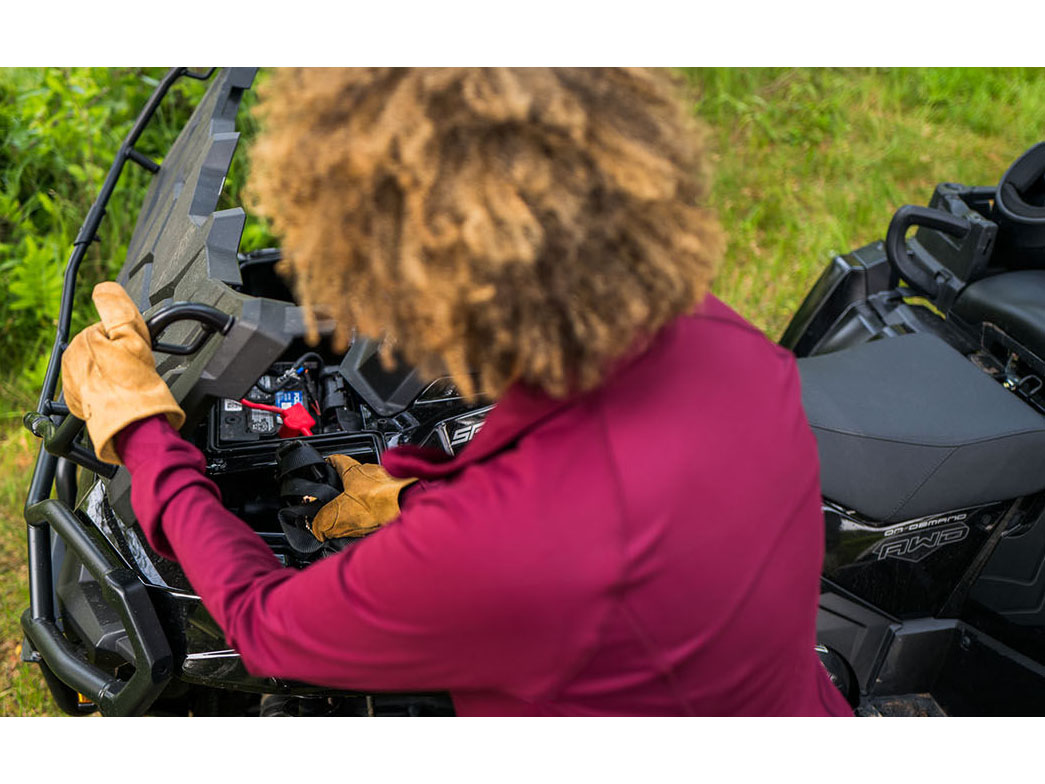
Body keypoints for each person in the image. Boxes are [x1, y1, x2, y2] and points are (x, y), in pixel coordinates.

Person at [61, 68, 852, 716]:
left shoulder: (497, 552)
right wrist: (419, 499)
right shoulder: (729, 345)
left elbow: (264, 626)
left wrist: (141, 430)